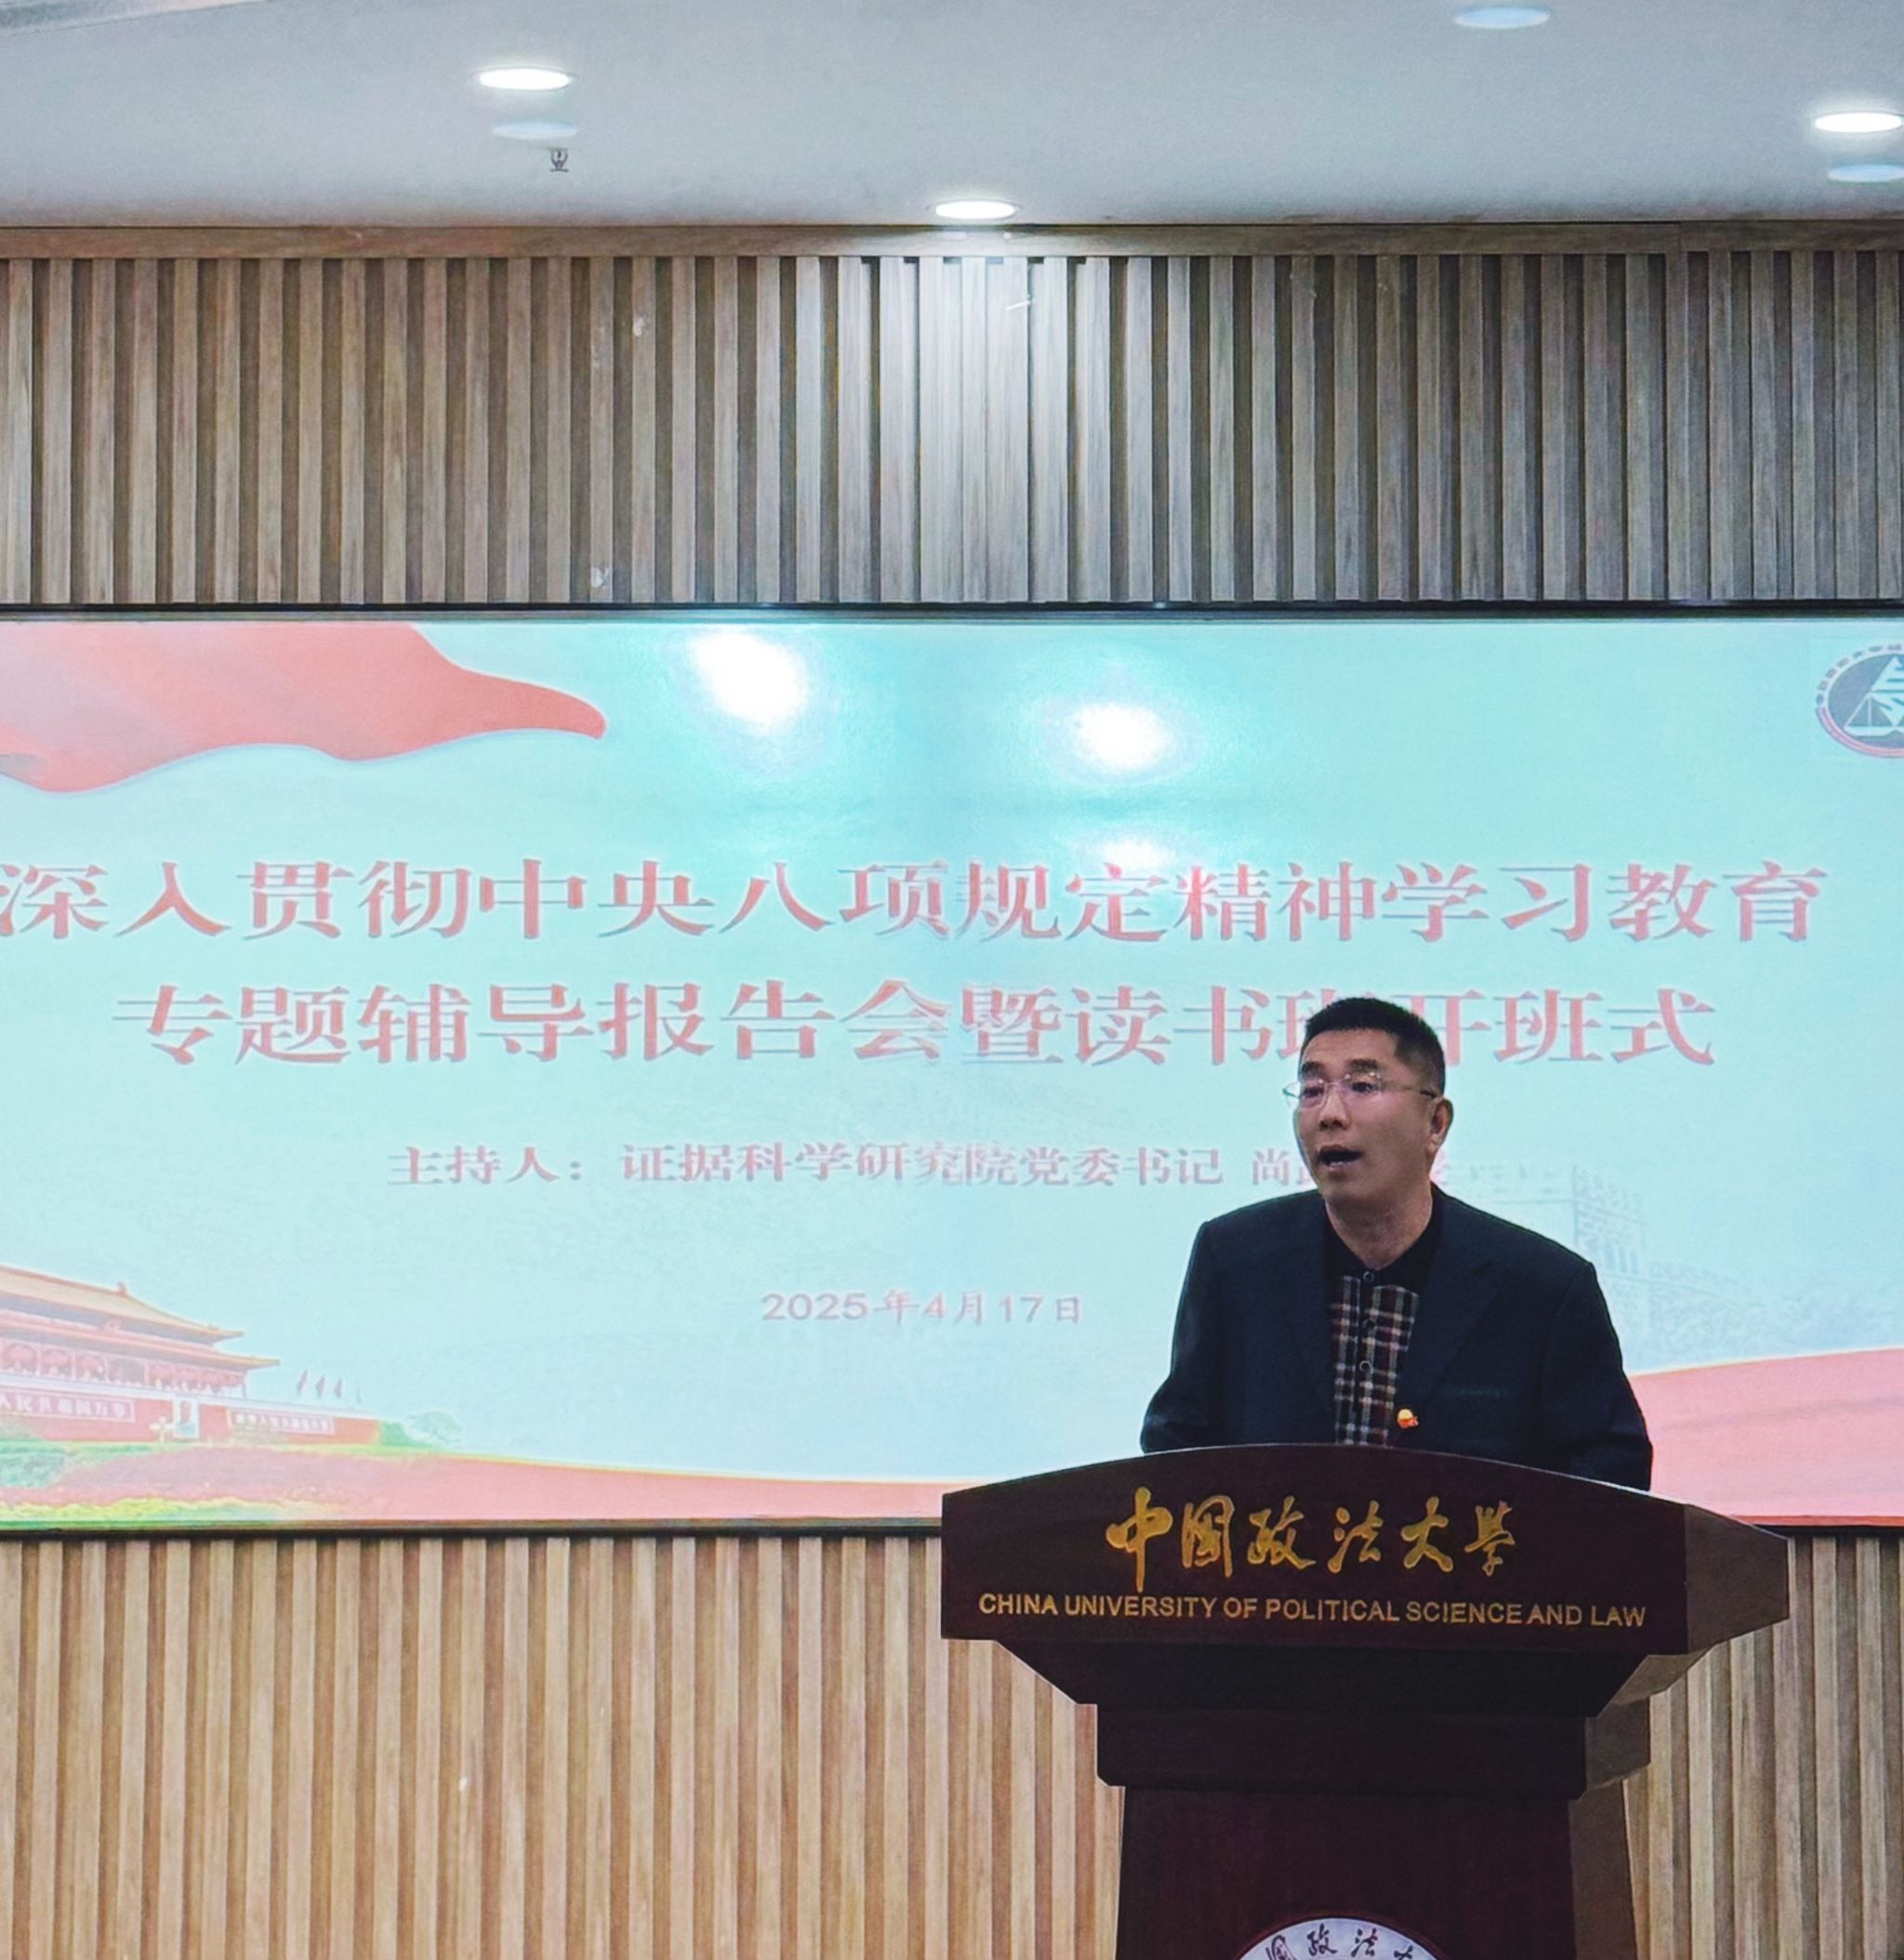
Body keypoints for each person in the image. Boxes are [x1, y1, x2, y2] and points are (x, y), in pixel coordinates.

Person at [1141, 996, 1652, 1488]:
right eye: (1312, 1090)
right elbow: (1177, 1443)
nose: (1329, 1113)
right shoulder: (1235, 1259)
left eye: (1363, 1086)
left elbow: (1611, 1473)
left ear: (1435, 1123)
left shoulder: (1543, 1288)